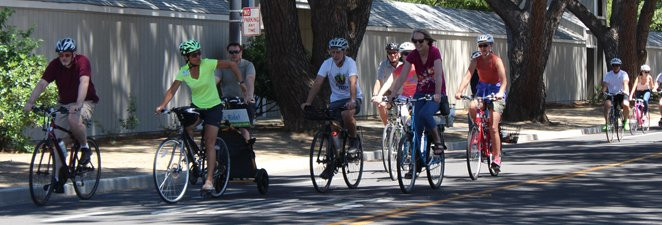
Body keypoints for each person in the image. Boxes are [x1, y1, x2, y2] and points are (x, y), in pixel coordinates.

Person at [155, 40, 244, 191]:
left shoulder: (207, 64)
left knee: (210, 142)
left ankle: (209, 180)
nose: (198, 56)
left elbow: (232, 65)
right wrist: (162, 106)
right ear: (187, 57)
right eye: (194, 54)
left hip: (213, 107)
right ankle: (194, 158)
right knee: (186, 129)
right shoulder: (183, 71)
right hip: (197, 106)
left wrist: (241, 82)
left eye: (199, 53)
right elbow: (172, 90)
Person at [24, 37, 100, 193]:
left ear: (73, 54)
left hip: (85, 100)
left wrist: (78, 104)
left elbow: (84, 82)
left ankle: (85, 148)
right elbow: (43, 83)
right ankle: (58, 180)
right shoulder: (55, 65)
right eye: (61, 55)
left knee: (74, 119)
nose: (63, 58)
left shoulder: (82, 61)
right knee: (57, 142)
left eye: (66, 54)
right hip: (64, 104)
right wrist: (30, 102)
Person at [387, 29, 447, 178]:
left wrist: (438, 93)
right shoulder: (413, 55)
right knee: (416, 129)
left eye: (421, 41)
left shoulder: (434, 52)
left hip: (435, 93)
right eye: (415, 41)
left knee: (425, 114)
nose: (418, 44)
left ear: (428, 41)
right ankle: (416, 165)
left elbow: (438, 75)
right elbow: (402, 77)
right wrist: (392, 94)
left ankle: (438, 142)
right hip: (420, 92)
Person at [301, 37, 363, 178]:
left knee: (347, 115)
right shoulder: (327, 64)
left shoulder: (350, 63)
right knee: (330, 125)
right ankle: (333, 161)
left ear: (344, 52)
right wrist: (308, 102)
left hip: (353, 98)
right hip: (336, 100)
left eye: (338, 52)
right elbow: (317, 83)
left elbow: (353, 81)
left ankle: (353, 140)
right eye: (332, 52)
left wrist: (353, 100)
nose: (335, 55)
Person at [454, 34, 508, 172]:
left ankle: (496, 157)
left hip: (495, 91)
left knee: (493, 126)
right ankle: (478, 129)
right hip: (482, 89)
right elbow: (468, 76)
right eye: (480, 45)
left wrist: (501, 92)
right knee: (472, 106)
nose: (483, 48)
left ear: (491, 46)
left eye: (485, 45)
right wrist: (459, 90)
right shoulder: (476, 60)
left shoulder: (497, 60)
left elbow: (503, 81)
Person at [218, 42, 256, 142]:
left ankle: (247, 151)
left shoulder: (248, 65)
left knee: (244, 129)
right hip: (227, 101)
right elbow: (215, 79)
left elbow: (250, 79)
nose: (234, 54)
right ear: (228, 53)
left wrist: (249, 95)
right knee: (224, 129)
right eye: (231, 52)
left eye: (236, 52)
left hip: (244, 101)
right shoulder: (222, 66)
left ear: (241, 53)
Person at [372, 42, 417, 122]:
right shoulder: (399, 68)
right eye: (405, 54)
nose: (392, 55)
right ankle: (389, 128)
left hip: (417, 96)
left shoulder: (419, 67)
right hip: (403, 97)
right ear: (402, 55)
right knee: (404, 116)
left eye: (411, 54)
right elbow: (386, 82)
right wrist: (378, 95)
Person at [373, 42, 401, 125]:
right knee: (380, 105)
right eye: (390, 53)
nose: (392, 55)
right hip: (390, 92)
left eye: (394, 53)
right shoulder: (383, 64)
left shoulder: (404, 64)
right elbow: (379, 80)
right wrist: (376, 94)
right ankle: (387, 127)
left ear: (399, 53)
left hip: (404, 93)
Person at [601, 58, 630, 130]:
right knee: (607, 104)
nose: (615, 67)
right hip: (611, 94)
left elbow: (625, 83)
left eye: (617, 65)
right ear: (612, 66)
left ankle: (625, 121)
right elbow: (605, 85)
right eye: (614, 65)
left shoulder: (624, 74)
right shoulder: (608, 74)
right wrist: (603, 92)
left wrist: (625, 91)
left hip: (621, 93)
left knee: (626, 104)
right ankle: (607, 123)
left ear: (620, 66)